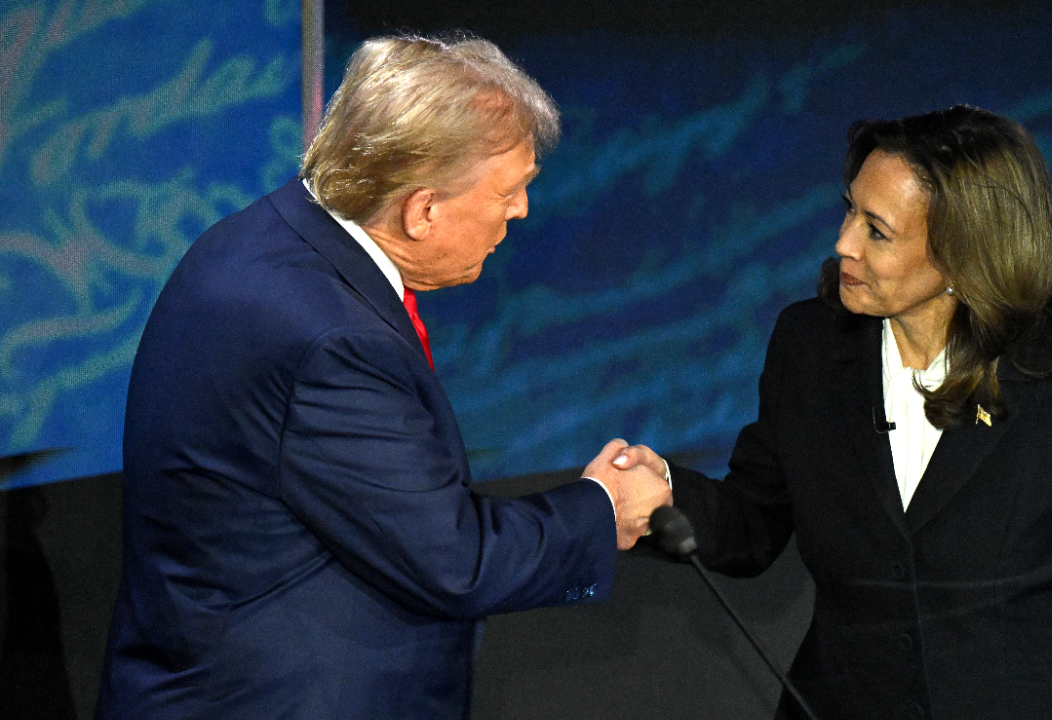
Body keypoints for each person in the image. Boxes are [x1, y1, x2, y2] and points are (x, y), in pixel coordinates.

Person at [95, 34, 670, 720]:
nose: (519, 212)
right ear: (422, 209)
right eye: (510, 192)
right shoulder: (331, 340)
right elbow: (454, 562)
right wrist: (603, 510)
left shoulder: (269, 239)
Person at [617, 105, 1052, 719]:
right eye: (849, 209)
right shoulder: (811, 348)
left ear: (962, 251)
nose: (843, 242)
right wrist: (662, 495)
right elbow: (753, 522)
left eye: (877, 229)